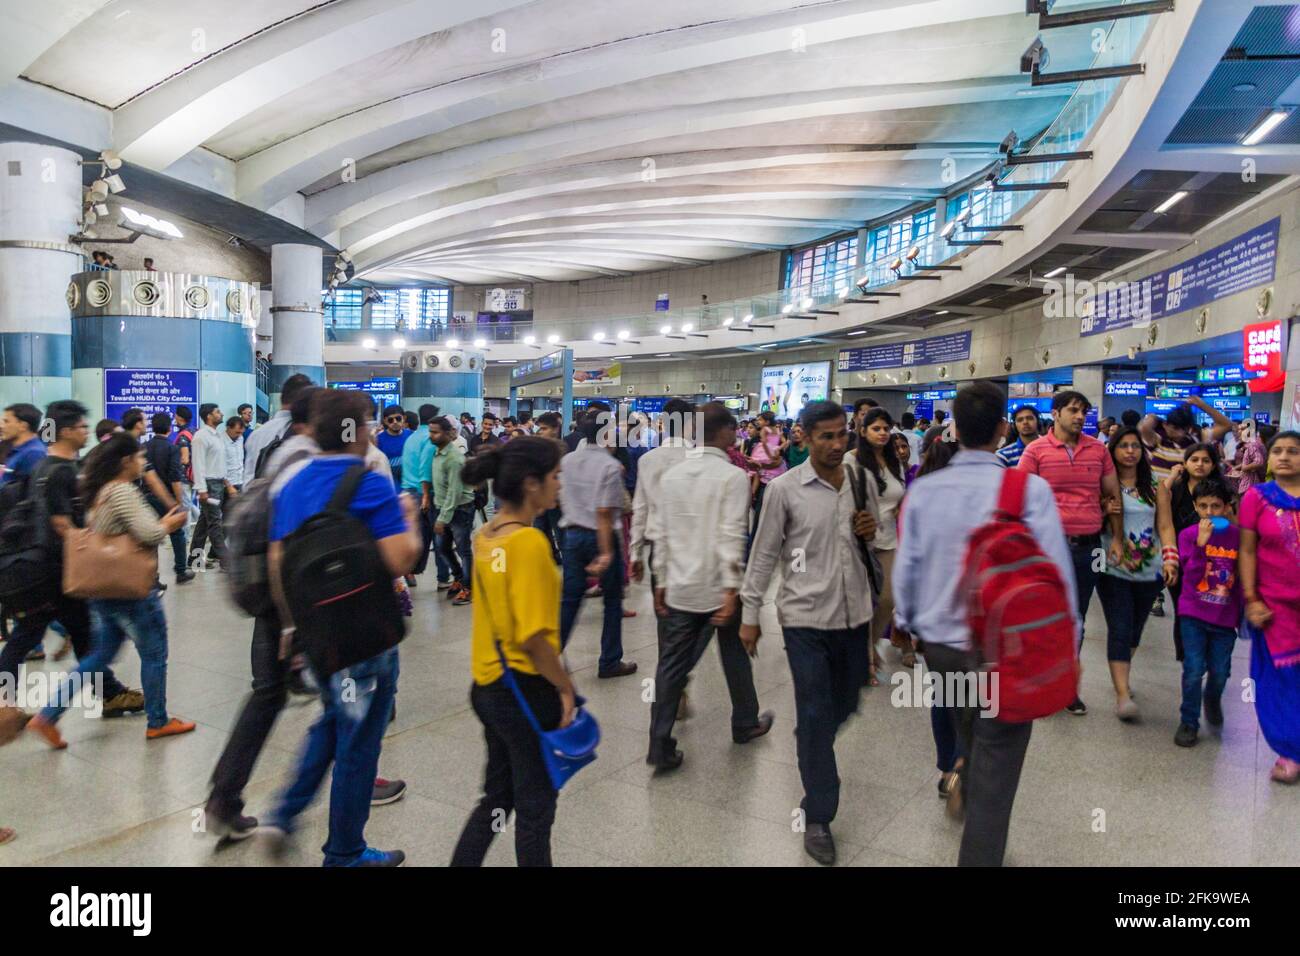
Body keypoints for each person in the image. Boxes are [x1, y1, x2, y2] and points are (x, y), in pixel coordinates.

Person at [893, 381, 1077, 867]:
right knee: (997, 759)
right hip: (1007, 651)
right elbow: (1056, 572)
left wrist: (906, 624)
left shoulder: (924, 491)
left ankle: (963, 776)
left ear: (954, 426)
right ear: (1001, 429)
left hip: (943, 649)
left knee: (968, 725)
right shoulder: (1028, 490)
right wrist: (1069, 641)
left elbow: (907, 568)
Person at [260, 388, 422, 866]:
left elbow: (278, 566)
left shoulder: (292, 484)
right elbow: (400, 558)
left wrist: (293, 630)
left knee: (334, 720)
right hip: (367, 634)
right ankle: (345, 853)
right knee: (357, 746)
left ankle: (283, 815)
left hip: (319, 633)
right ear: (357, 431)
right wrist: (409, 519)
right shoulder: (370, 483)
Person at [739, 400, 877, 865]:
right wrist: (750, 612)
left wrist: (872, 530)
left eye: (843, 435)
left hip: (855, 615)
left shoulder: (859, 481)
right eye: (827, 436)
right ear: (805, 437)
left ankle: (811, 737)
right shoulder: (785, 490)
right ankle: (818, 813)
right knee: (817, 713)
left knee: (847, 701)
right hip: (803, 618)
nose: (838, 445)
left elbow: (880, 541)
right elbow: (763, 553)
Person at [450, 438, 576, 867]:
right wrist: (564, 688)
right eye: (556, 476)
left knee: (498, 798)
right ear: (531, 483)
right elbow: (534, 639)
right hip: (526, 691)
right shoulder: (528, 545)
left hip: (489, 685)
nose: (560, 484)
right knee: (537, 805)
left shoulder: (488, 535)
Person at [28, 433, 194, 747]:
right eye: (139, 457)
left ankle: (47, 715)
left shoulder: (100, 490)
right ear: (125, 461)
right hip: (130, 590)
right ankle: (158, 721)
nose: (143, 463)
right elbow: (149, 533)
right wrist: (169, 526)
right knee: (155, 653)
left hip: (104, 591)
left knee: (96, 656)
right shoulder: (122, 491)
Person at [647, 402, 773, 770]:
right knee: (734, 651)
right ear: (726, 433)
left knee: (672, 666)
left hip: (681, 587)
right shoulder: (732, 477)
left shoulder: (672, 476)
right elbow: (733, 535)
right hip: (718, 588)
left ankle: (660, 743)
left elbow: (662, 533)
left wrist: (660, 580)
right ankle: (745, 722)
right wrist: (732, 590)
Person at [0, 401, 143, 718]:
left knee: (79, 632)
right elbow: (63, 525)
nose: (85, 432)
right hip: (53, 572)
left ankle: (108, 692)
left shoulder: (42, 466)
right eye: (81, 427)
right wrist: (100, 553)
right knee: (28, 636)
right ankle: (6, 704)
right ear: (66, 431)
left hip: (47, 569)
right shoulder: (61, 471)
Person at [1018, 390, 1122, 716]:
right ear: (1056, 413)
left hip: (1089, 546)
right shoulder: (1036, 451)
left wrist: (1116, 538)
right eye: (1074, 411)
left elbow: (1112, 496)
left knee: (1076, 617)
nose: (1080, 417)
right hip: (1047, 547)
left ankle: (1067, 688)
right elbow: (1019, 497)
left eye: (1084, 411)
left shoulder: (1098, 450)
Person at [1096, 427, 1177, 722]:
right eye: (1124, 446)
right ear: (1113, 451)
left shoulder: (1156, 486)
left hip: (1149, 571)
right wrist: (1103, 510)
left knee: (1134, 630)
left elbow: (1166, 526)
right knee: (1119, 627)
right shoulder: (1103, 484)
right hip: (1111, 568)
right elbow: (1091, 521)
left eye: (1136, 446)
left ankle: (1122, 675)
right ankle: (1122, 694)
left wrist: (1171, 559)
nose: (1130, 451)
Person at [1239, 430, 1300, 784]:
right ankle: (1290, 750)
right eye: (1278, 450)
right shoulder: (1257, 498)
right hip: (1274, 604)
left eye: (1293, 451)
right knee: (1281, 678)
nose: (1284, 456)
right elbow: (1247, 551)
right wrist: (1252, 598)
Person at [558, 409, 636, 678]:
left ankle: (549, 657)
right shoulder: (610, 466)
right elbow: (604, 512)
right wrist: (605, 552)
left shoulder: (567, 460)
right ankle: (610, 661)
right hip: (602, 537)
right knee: (613, 602)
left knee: (569, 600)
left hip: (572, 535)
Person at [1172, 478, 1241, 748]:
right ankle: (1188, 721)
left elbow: (1243, 576)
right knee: (1193, 669)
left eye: (1216, 506)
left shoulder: (1237, 537)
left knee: (1220, 671)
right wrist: (1201, 545)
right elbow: (1189, 574)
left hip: (1225, 617)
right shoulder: (1188, 535)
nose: (1209, 512)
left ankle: (1212, 698)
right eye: (1203, 506)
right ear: (1195, 507)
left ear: (1226, 507)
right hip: (1193, 613)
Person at [847, 407, 908, 684]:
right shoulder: (852, 460)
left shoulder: (895, 461)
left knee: (887, 600)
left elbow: (900, 494)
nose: (882, 433)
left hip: (889, 540)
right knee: (859, 602)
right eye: (876, 428)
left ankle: (869, 644)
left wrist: (899, 509)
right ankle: (863, 657)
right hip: (857, 541)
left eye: (886, 428)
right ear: (863, 431)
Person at [1158, 443, 1224, 662]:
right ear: (1185, 463)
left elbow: (1234, 525)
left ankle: (1208, 658)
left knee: (1210, 611)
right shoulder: (1176, 490)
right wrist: (1171, 560)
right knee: (1183, 612)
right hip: (1181, 563)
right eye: (1194, 459)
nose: (1200, 464)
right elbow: (1164, 516)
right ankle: (1188, 660)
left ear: (1214, 465)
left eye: (1206, 460)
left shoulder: (1221, 493)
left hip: (1214, 565)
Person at [629, 398, 694, 588]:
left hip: (660, 549)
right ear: (691, 423)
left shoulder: (648, 460)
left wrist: (636, 553)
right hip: (694, 547)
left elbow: (640, 510)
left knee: (664, 608)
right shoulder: (700, 459)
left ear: (663, 423)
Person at [429, 417, 475, 606]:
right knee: (442, 548)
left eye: (435, 432)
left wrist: (442, 519)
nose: (431, 435)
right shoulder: (437, 452)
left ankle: (469, 587)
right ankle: (458, 577)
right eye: (430, 432)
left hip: (459, 510)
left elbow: (455, 492)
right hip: (444, 508)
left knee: (463, 550)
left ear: (448, 434)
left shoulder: (454, 458)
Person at [144, 413, 192, 584]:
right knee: (177, 534)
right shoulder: (172, 448)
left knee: (151, 537)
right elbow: (175, 478)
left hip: (147, 498)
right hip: (168, 498)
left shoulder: (144, 447)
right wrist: (179, 502)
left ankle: (153, 576)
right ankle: (181, 571)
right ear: (169, 429)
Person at [1140, 398, 1232, 484]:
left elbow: (1227, 425)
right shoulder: (1157, 439)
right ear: (1165, 424)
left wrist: (1202, 405)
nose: (1180, 433)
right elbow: (1144, 426)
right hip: (1157, 494)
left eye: (1184, 429)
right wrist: (1156, 418)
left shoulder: (1196, 438)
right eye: (1175, 428)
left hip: (1186, 495)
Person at [398, 404, 440, 587]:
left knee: (415, 534)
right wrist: (426, 495)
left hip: (407, 490)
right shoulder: (429, 439)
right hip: (424, 493)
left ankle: (410, 570)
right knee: (439, 534)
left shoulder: (410, 438)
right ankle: (443, 577)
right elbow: (425, 468)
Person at [189, 403, 230, 570]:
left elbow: (219, 462)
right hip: (209, 485)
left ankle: (194, 560)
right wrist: (202, 489)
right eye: (217, 412)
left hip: (218, 483)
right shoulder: (201, 436)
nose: (221, 414)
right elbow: (197, 464)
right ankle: (227, 560)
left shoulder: (216, 435)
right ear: (209, 416)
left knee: (203, 525)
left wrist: (226, 482)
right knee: (215, 523)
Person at [0, 403, 45, 485]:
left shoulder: (33, 454)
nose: (2, 426)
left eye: (6, 421)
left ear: (23, 426)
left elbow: (29, 492)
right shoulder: (17, 450)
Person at [375, 404, 410, 487]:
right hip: (389, 485)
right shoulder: (378, 440)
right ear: (385, 421)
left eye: (398, 419)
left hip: (410, 486)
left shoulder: (411, 436)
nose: (395, 422)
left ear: (404, 418)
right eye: (390, 420)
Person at [223, 415, 246, 492]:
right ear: (228, 428)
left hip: (240, 482)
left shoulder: (240, 438)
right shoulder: (219, 441)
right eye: (237, 432)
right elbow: (218, 467)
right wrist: (228, 486)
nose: (239, 435)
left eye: (241, 432)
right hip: (226, 486)